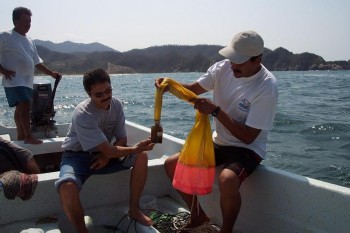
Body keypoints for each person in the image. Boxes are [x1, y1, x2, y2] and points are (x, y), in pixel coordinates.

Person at [156, 31, 278, 233]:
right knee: (172, 165)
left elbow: (248, 137)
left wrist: (215, 111)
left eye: (239, 61)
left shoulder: (266, 86)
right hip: (220, 142)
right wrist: (170, 86)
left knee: (228, 180)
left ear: (257, 60)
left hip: (248, 148)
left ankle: (226, 230)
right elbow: (193, 89)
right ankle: (198, 216)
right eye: (231, 58)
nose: (233, 65)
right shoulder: (222, 68)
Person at [55, 68, 155, 233]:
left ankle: (134, 209)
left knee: (141, 156)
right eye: (99, 95)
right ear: (90, 95)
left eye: (108, 91)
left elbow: (121, 139)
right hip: (77, 156)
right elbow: (109, 149)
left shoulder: (116, 104)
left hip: (105, 154)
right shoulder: (83, 113)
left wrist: (107, 157)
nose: (105, 97)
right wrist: (126, 150)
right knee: (66, 186)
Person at [0, 7, 62, 145]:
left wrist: (51, 73)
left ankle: (21, 135)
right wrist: (3, 70)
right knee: (25, 104)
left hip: (27, 81)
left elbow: (36, 62)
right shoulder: (5, 36)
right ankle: (28, 136)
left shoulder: (30, 41)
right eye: (25, 22)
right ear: (15, 21)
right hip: (14, 80)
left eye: (29, 22)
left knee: (20, 107)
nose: (28, 25)